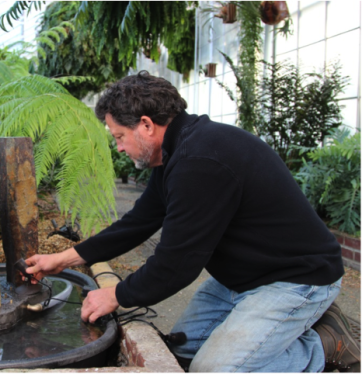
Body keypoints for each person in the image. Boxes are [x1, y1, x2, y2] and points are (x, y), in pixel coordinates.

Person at [25, 71, 361, 373]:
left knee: (214, 371)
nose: (119, 148)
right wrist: (64, 258)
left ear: (145, 124)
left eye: (119, 136)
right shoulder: (177, 153)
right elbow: (138, 223)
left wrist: (116, 295)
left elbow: (175, 266)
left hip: (296, 279)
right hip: (242, 278)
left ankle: (323, 344)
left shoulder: (200, 161)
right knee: (182, 351)